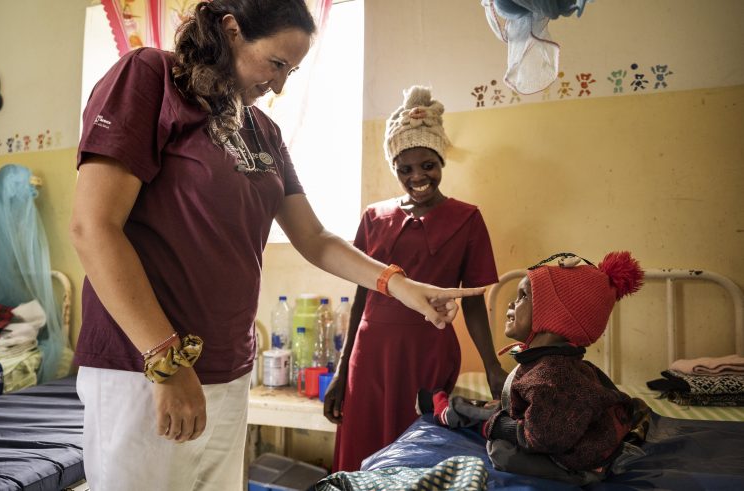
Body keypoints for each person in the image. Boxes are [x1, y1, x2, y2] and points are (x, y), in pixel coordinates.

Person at [69, 2, 484, 489]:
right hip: (143, 367)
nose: (281, 84)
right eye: (277, 63)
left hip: (228, 367)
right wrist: (167, 362)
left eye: (293, 70)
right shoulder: (152, 77)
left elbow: (314, 238)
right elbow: (94, 227)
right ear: (231, 31)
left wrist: (402, 286)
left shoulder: (263, 131)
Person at [324, 85, 508, 472]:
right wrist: (341, 371)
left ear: (441, 162)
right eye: (405, 169)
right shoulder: (374, 217)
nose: (418, 176)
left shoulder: (467, 219)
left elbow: (473, 298)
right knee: (363, 450)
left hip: (427, 352)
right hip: (369, 355)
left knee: (417, 451)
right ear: (394, 169)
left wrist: (492, 365)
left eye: (428, 165)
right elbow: (361, 295)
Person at [418, 251, 651, 485]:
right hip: (558, 426)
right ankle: (450, 408)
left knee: (501, 451)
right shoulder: (550, 363)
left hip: (577, 453)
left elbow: (543, 437)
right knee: (501, 411)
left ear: (552, 316)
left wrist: (497, 426)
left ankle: (584, 474)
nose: (511, 303)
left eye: (523, 296)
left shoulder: (552, 375)